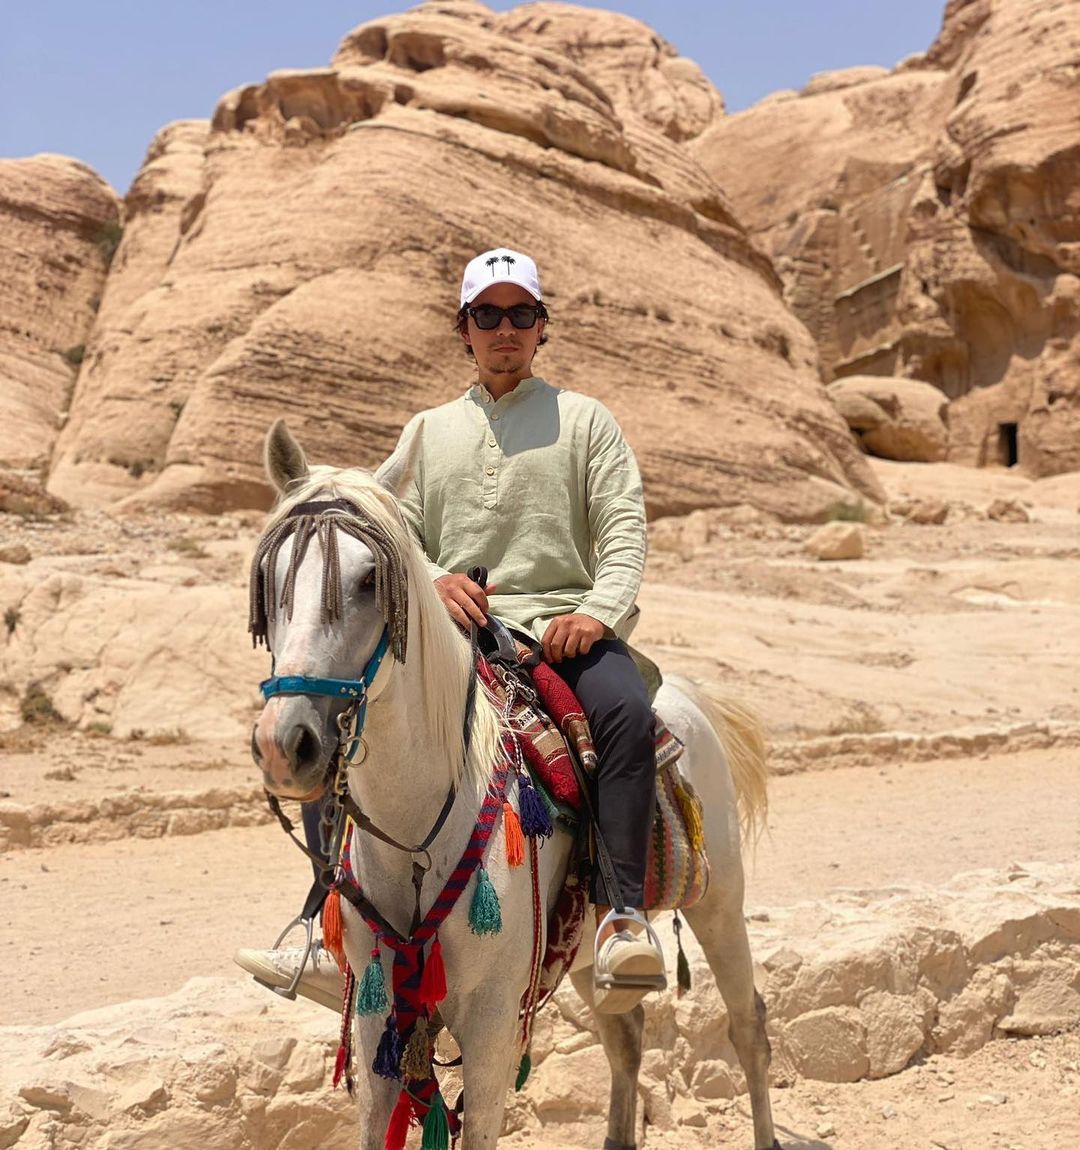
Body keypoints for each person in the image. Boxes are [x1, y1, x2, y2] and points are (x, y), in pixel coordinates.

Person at [236, 247, 662, 1014]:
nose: (505, 328)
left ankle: (621, 919)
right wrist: (433, 580)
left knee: (626, 715)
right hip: (455, 631)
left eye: (521, 313)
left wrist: (597, 612)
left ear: (542, 328)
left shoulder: (587, 422)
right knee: (338, 711)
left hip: (562, 629)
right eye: (487, 315)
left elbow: (624, 529)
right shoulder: (427, 432)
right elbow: (393, 534)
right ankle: (326, 926)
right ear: (463, 329)